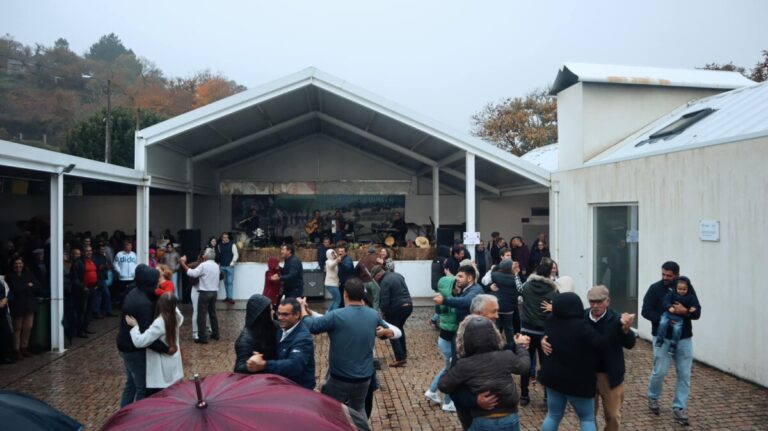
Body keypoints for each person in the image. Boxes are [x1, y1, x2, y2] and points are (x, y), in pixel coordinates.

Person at [542, 285, 637, 431]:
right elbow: (563, 331)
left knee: (612, 415)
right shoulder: (581, 316)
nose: (596, 305)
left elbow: (630, 344)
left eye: (600, 301)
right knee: (589, 416)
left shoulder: (616, 319)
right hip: (585, 374)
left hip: (609, 375)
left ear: (608, 301)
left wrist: (626, 330)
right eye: (592, 301)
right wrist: (545, 340)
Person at [301, 278, 390, 419]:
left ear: (345, 294)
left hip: (339, 378)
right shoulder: (373, 314)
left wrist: (302, 311)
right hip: (364, 378)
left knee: (331, 412)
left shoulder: (336, 315)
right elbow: (385, 333)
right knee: (359, 410)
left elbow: (312, 327)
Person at [439, 316, 531, 431]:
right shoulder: (506, 356)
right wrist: (520, 347)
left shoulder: (464, 364)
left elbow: (444, 384)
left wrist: (452, 363)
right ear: (495, 336)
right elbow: (524, 366)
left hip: (482, 419)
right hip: (509, 417)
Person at [642, 261, 701, 425]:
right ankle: (653, 397)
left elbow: (697, 312)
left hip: (684, 339)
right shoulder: (655, 289)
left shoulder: (687, 287)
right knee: (659, 372)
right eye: (663, 274)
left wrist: (686, 312)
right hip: (663, 338)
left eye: (669, 275)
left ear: (677, 275)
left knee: (684, 375)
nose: (665, 278)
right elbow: (646, 311)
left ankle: (679, 408)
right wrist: (664, 321)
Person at [116, 264, 171, 407]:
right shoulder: (143, 304)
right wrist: (166, 349)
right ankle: (138, 418)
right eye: (155, 280)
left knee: (131, 385)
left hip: (124, 345)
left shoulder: (133, 291)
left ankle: (123, 415)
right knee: (142, 387)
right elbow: (147, 337)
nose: (158, 283)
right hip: (133, 349)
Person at [244, 297, 316, 390]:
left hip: (300, 390)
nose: (280, 318)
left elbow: (295, 366)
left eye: (285, 315)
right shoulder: (281, 329)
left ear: (297, 314)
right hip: (285, 386)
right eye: (279, 314)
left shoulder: (303, 338)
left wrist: (264, 364)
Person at [125, 292, 184, 395]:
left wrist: (135, 326)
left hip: (162, 370)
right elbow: (173, 306)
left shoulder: (160, 322)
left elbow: (140, 341)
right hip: (173, 364)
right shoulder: (176, 316)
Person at [519, 257, 559, 406]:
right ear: (549, 273)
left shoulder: (527, 286)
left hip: (526, 331)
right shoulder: (553, 289)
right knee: (546, 365)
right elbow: (560, 306)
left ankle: (524, 395)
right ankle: (548, 397)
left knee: (525, 364)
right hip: (544, 333)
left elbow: (520, 293)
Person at [425, 273, 458, 412]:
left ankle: (432, 391)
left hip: (444, 339)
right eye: (455, 285)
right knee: (450, 372)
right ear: (449, 288)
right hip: (449, 340)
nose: (458, 287)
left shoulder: (442, 302)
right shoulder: (451, 303)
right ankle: (447, 402)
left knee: (448, 369)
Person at [371, 265, 412, 368]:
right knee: (400, 328)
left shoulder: (384, 282)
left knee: (391, 331)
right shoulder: (398, 275)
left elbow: (385, 300)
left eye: (375, 278)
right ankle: (403, 352)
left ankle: (400, 358)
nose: (375, 280)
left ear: (379, 274)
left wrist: (382, 312)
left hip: (396, 308)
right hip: (408, 306)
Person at [180, 248, 220, 344]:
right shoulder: (216, 265)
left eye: (204, 254)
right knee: (212, 314)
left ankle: (202, 337)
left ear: (206, 256)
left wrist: (182, 263)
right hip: (214, 292)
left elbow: (192, 273)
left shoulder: (204, 265)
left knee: (201, 315)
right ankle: (216, 333)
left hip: (204, 292)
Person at [655, 277, 699, 356]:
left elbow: (696, 308)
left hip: (679, 319)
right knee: (663, 323)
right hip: (668, 315)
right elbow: (665, 302)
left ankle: (673, 345)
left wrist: (692, 309)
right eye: (679, 289)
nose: (681, 291)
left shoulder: (691, 297)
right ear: (676, 287)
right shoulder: (671, 294)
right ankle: (660, 339)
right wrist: (669, 307)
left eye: (684, 289)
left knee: (677, 329)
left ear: (688, 288)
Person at [6, 257, 39, 359]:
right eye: (16, 264)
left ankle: (24, 347)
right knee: (17, 328)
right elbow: (16, 289)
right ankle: (16, 349)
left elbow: (37, 285)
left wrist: (26, 286)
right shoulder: (10, 276)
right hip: (17, 305)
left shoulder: (28, 273)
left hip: (29, 304)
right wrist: (27, 286)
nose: (18, 266)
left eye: (20, 263)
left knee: (28, 327)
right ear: (12, 265)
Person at [234, 294, 278, 373]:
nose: (274, 312)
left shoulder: (274, 326)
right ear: (264, 314)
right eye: (271, 310)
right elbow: (239, 368)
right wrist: (250, 365)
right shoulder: (245, 339)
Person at [487, 259, 524, 343]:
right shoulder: (513, 277)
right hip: (509, 309)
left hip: (497, 307)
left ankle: (496, 344)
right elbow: (520, 289)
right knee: (509, 328)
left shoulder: (494, 275)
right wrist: (516, 274)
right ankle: (511, 346)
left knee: (496, 327)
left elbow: (485, 282)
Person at [218, 232, 239, 305]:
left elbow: (236, 255)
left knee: (230, 282)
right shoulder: (220, 245)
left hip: (230, 267)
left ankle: (230, 298)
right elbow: (219, 255)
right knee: (225, 282)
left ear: (228, 238)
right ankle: (227, 297)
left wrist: (232, 263)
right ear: (222, 238)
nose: (225, 238)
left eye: (226, 237)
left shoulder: (232, 244)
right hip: (222, 266)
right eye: (224, 237)